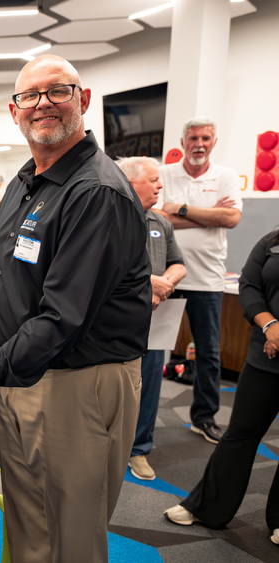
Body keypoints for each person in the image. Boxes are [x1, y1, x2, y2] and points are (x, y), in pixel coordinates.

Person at [0, 55, 151, 563]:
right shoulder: (28, 181)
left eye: (57, 91)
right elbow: (10, 287)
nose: (42, 104)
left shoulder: (96, 191)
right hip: (22, 377)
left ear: (83, 100)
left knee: (71, 535)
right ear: (14, 110)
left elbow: (61, 318)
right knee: (26, 526)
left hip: (78, 382)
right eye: (30, 96)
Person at [164, 226, 279, 546]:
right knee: (240, 434)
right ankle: (207, 507)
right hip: (265, 358)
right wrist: (269, 325)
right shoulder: (272, 241)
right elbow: (250, 285)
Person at [154, 116, 242, 444]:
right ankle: (140, 418)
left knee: (208, 353)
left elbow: (231, 218)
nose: (199, 144)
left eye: (206, 138)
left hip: (207, 279)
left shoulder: (226, 177)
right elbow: (156, 216)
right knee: (152, 351)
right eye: (193, 138)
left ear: (214, 143)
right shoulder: (164, 174)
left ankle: (203, 418)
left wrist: (181, 209)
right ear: (183, 142)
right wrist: (208, 217)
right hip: (166, 276)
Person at [118, 157, 187, 481]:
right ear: (132, 182)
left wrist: (167, 281)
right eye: (154, 180)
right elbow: (107, 267)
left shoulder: (161, 223)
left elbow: (179, 263)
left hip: (156, 319)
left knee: (150, 384)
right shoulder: (111, 217)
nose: (161, 185)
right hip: (117, 320)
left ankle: (139, 449)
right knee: (116, 387)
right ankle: (110, 448)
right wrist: (149, 281)